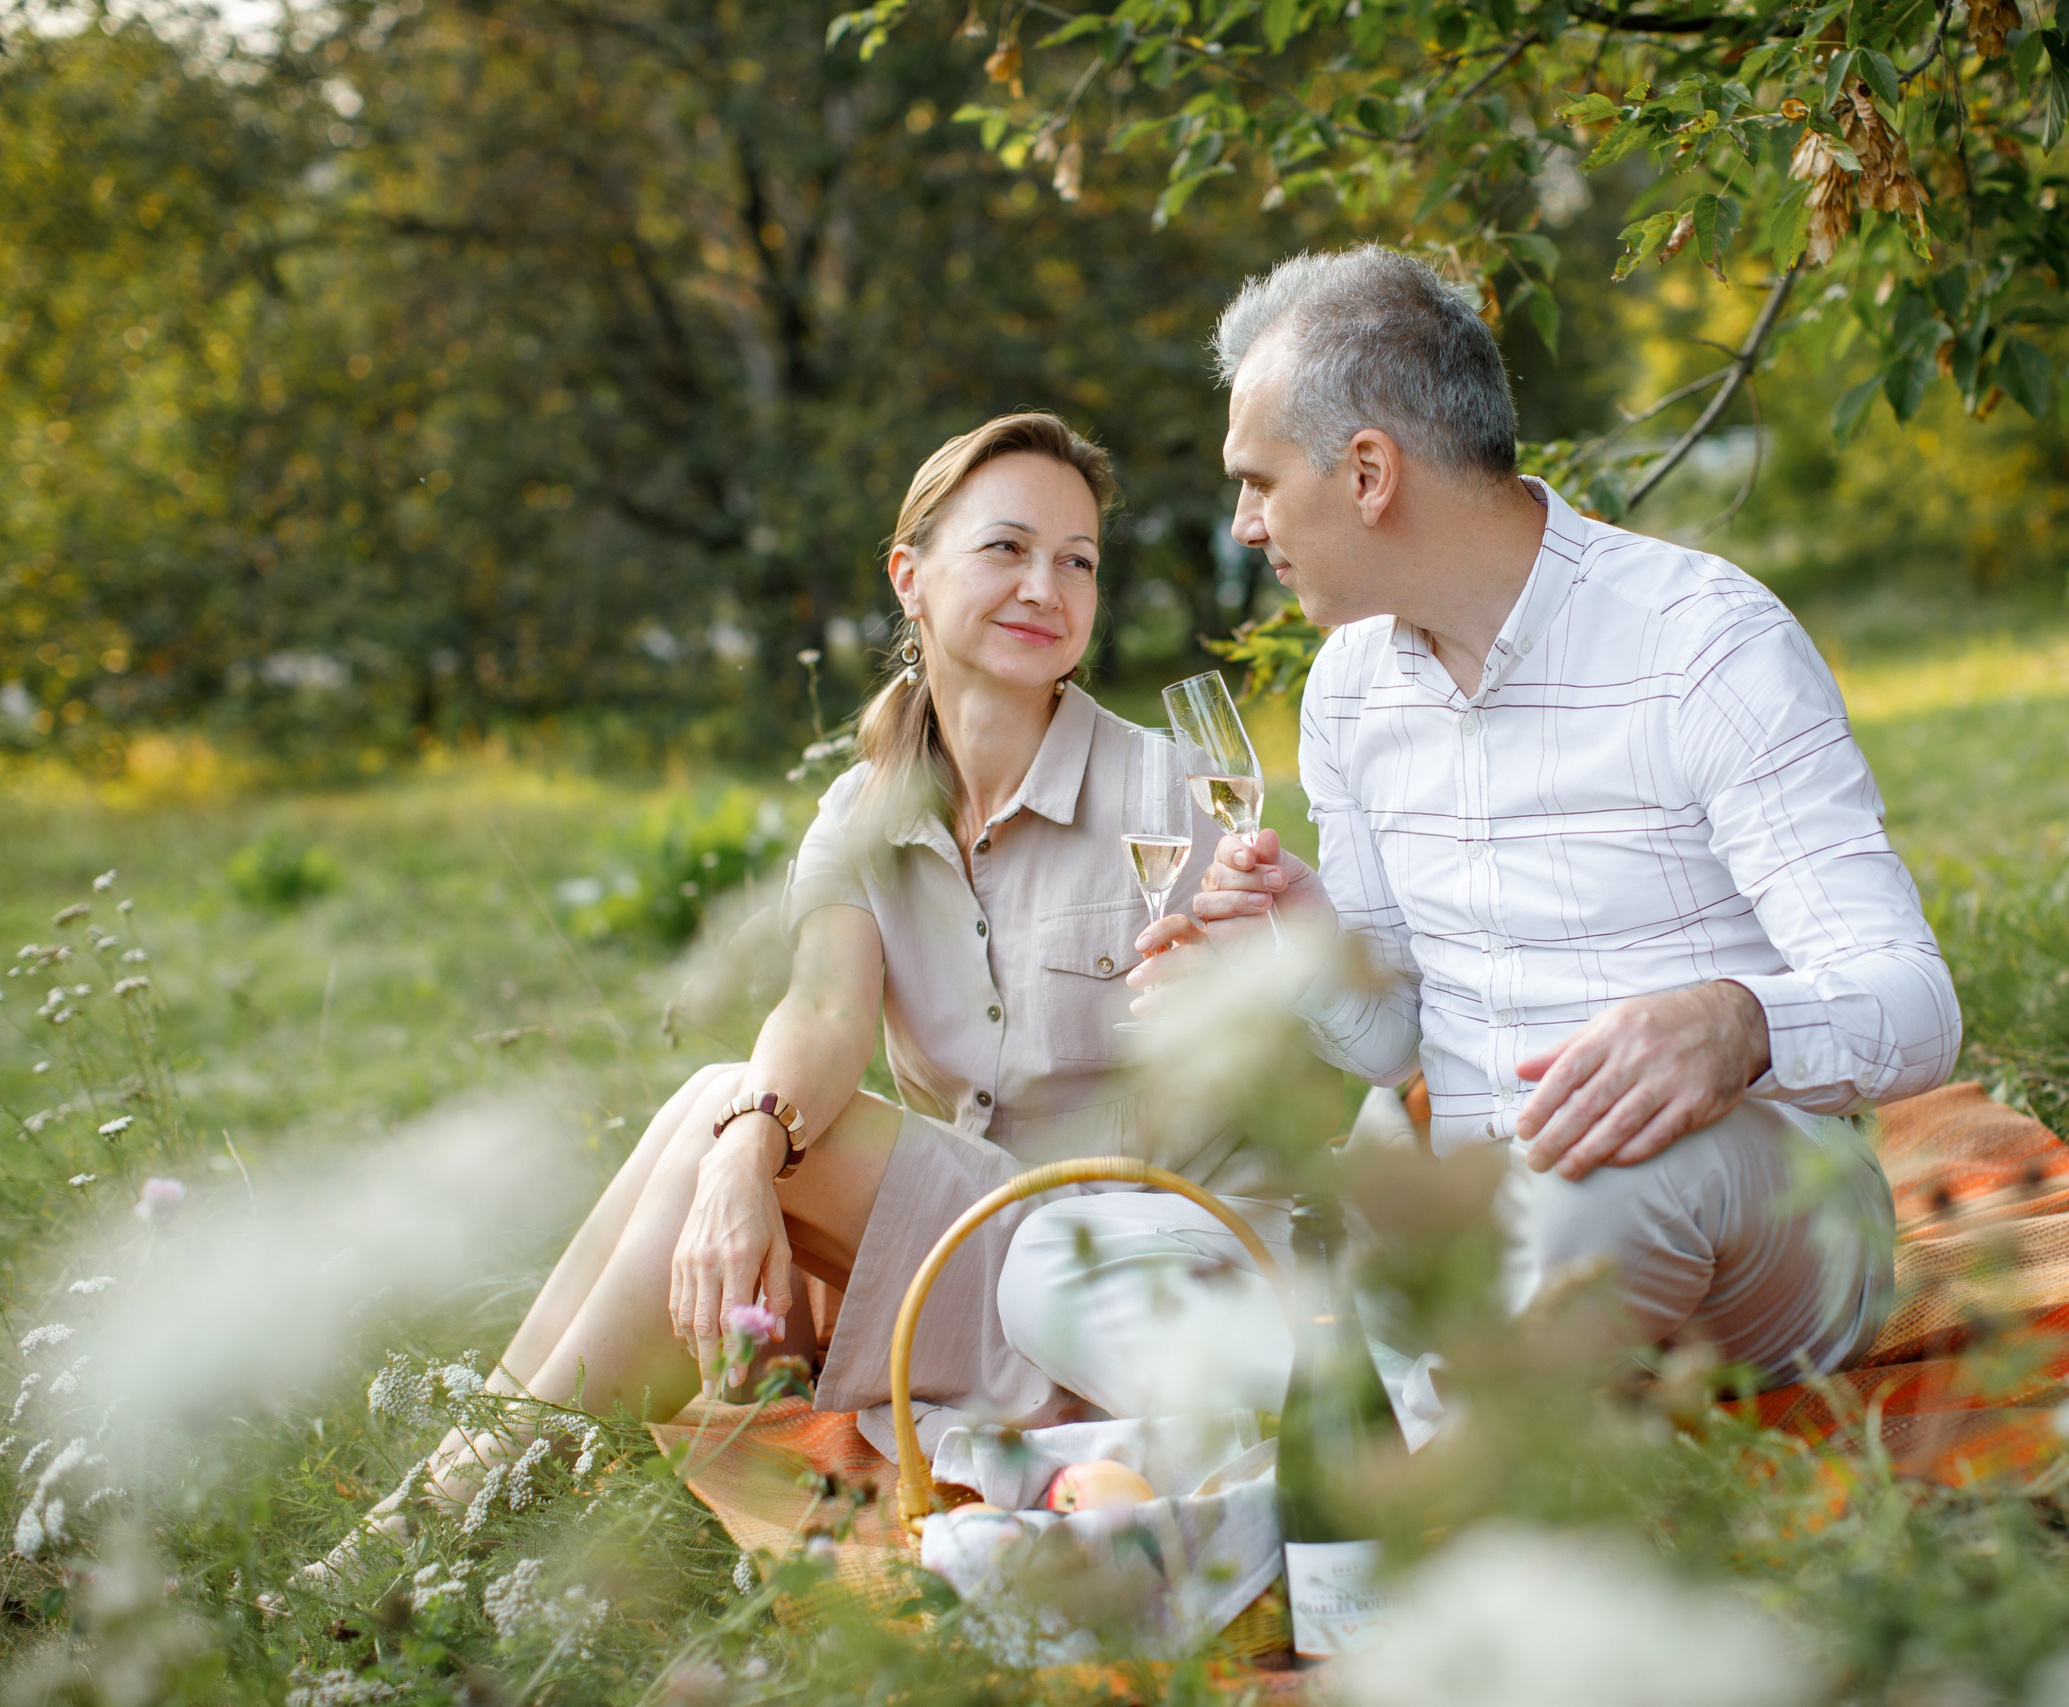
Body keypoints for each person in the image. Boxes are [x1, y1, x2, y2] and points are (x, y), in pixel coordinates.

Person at [999, 249, 1961, 1413]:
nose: (1246, 526)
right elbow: (1393, 1047)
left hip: (1752, 1228)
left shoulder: (1704, 641)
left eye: (1258, 481)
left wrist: (1738, 1024)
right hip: (1478, 1224)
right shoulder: (1351, 688)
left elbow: (1914, 1006)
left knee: (1604, 1176)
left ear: (1366, 474)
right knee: (1056, 1255)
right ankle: (1380, 1428)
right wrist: (1305, 955)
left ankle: (1388, 1451)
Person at [314, 412, 1219, 1575]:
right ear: (910, 576)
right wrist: (745, 1155)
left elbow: (1272, 1052)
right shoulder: (864, 810)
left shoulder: (1172, 789)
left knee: (720, 1108)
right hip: (976, 1257)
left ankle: (429, 1532)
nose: (1047, 584)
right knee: (722, 1111)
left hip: (1126, 1275)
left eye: (1078, 560)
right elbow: (827, 1015)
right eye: (1006, 548)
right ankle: (447, 1513)